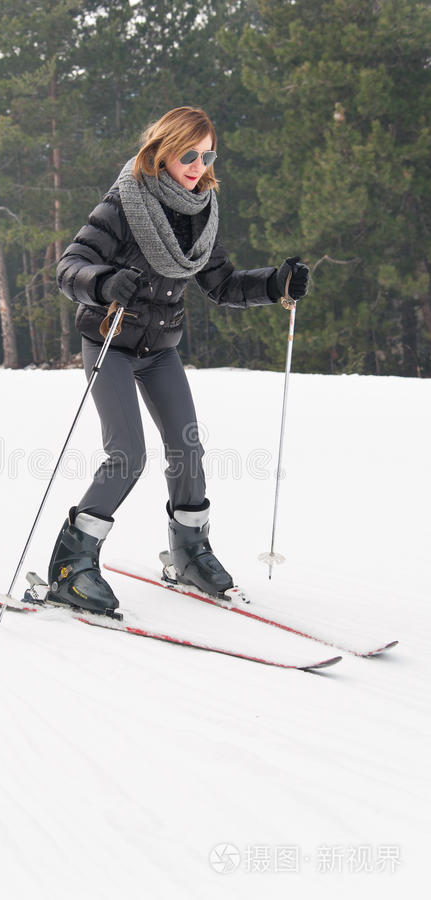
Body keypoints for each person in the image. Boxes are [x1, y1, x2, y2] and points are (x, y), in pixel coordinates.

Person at [48, 106, 309, 615]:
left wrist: (275, 284)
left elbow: (223, 284)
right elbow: (69, 267)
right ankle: (70, 566)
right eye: (189, 154)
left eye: (207, 153)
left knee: (188, 449)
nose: (198, 164)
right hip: (111, 341)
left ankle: (190, 554)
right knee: (127, 455)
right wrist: (102, 283)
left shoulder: (201, 210)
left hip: (160, 348)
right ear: (163, 150)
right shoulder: (125, 203)